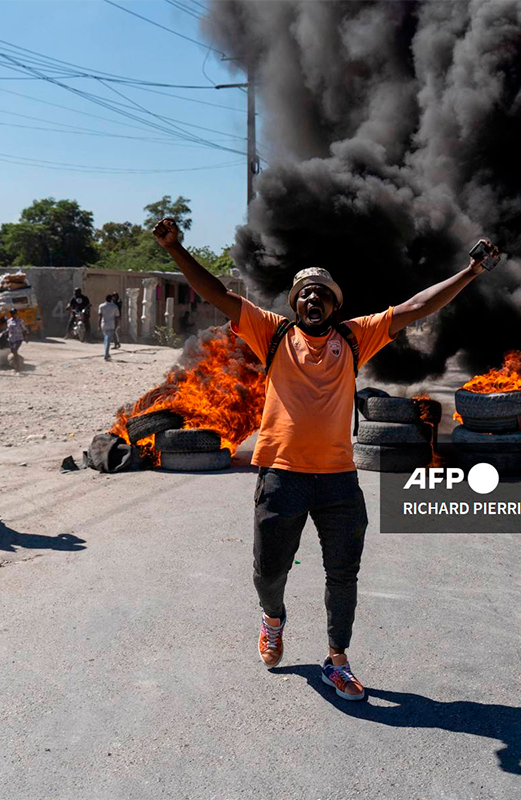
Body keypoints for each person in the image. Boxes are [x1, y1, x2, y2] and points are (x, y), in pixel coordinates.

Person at [152, 216, 492, 700]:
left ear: (336, 304)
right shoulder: (271, 333)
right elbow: (216, 294)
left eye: (323, 294)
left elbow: (417, 306)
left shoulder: (355, 337)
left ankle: (337, 659)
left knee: (343, 573)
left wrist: (471, 272)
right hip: (281, 475)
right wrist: (174, 249)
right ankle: (273, 620)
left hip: (337, 479)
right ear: (296, 304)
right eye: (305, 294)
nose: (314, 299)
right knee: (269, 571)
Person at [97, 294, 120, 361]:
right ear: (111, 299)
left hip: (103, 324)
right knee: (108, 340)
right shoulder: (114, 306)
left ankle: (107, 353)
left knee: (105, 339)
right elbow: (117, 317)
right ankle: (106, 354)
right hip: (111, 325)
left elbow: (100, 316)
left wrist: (98, 325)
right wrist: (117, 324)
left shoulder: (101, 306)